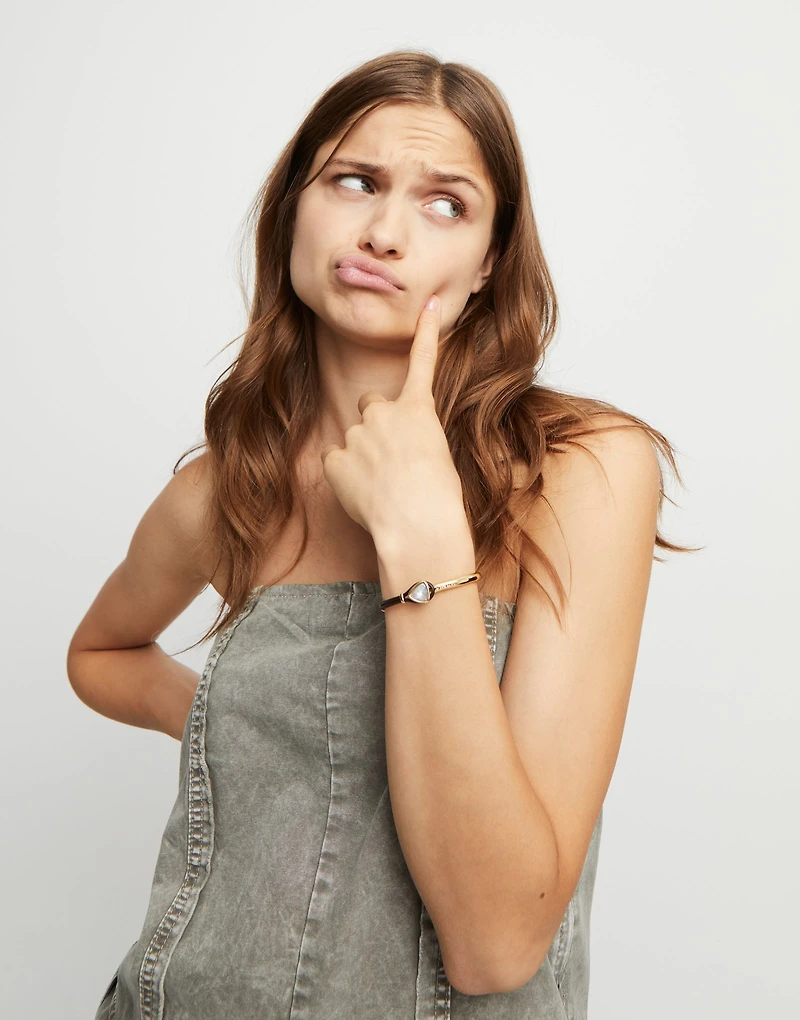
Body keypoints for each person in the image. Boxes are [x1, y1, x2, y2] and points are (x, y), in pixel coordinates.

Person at [68, 49, 694, 1020]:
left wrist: (420, 529)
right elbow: (100, 653)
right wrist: (227, 720)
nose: (384, 232)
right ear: (293, 209)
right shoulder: (226, 490)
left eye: (445, 204)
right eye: (353, 181)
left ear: (489, 262)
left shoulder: (583, 472)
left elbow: (496, 943)